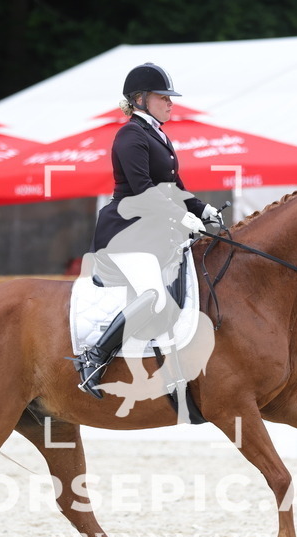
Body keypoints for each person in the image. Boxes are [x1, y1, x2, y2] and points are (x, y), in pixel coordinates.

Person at [73, 62, 222, 399]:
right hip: (126, 233)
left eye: (170, 97)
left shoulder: (158, 134)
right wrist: (182, 218)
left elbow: (174, 186)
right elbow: (142, 189)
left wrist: (202, 209)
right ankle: (94, 357)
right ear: (139, 99)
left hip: (153, 233)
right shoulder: (129, 136)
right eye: (163, 97)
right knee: (153, 295)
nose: (170, 103)